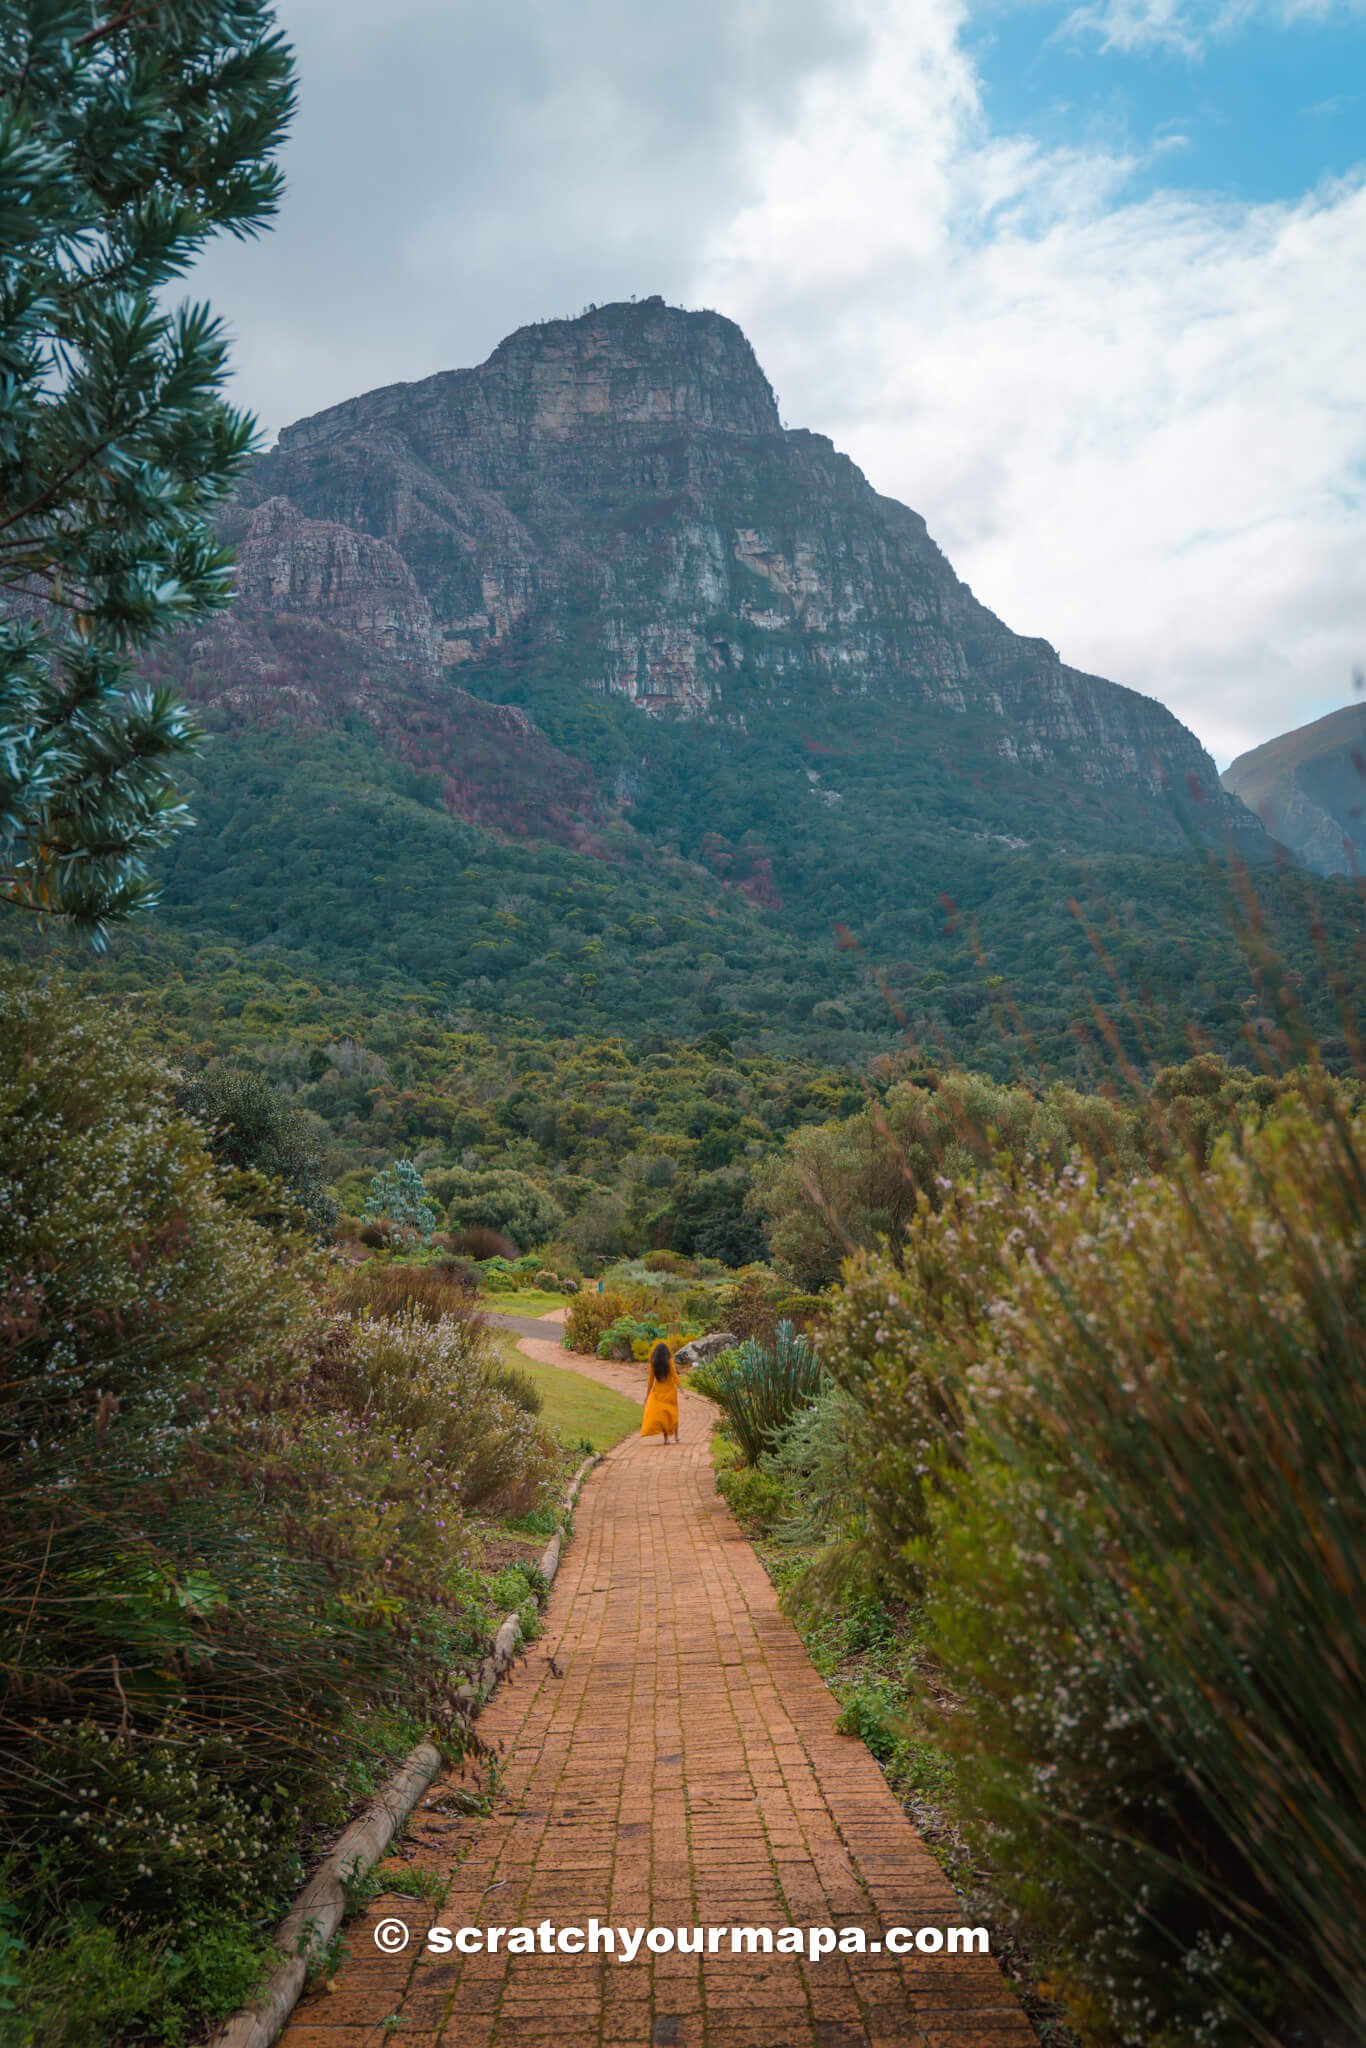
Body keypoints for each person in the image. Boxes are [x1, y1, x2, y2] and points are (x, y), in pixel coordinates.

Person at [640, 1339, 679, 1445]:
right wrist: (682, 1390)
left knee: (663, 1417)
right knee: (673, 1414)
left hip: (658, 1392)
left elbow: (650, 1380)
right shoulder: (669, 1361)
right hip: (670, 1392)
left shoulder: (653, 1363)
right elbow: (675, 1376)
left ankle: (666, 1438)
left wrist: (647, 1396)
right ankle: (676, 1437)